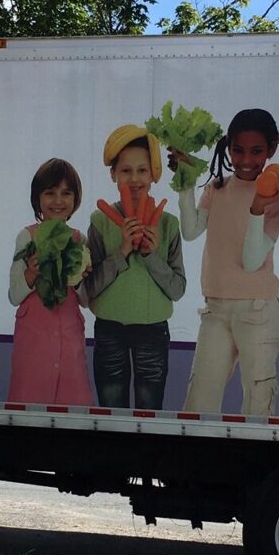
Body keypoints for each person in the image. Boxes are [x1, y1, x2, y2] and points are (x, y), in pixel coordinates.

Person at [174, 109, 279, 415]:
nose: (245, 159)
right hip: (215, 309)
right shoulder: (216, 187)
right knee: (199, 399)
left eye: (256, 152)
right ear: (228, 147)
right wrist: (186, 183)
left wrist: (256, 208)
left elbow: (253, 261)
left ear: (271, 149)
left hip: (258, 310)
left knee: (258, 400)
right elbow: (190, 232)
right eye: (238, 150)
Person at [84, 125, 185, 409]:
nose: (135, 178)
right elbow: (89, 288)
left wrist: (151, 255)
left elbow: (178, 290)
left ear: (153, 174)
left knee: (149, 410)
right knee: (111, 407)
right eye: (126, 170)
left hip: (153, 329)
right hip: (109, 328)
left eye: (142, 170)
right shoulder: (100, 220)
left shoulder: (168, 224)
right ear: (113, 174)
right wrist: (123, 251)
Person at [7, 158, 95, 405]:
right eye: (50, 193)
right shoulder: (27, 237)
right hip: (33, 344)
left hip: (70, 343)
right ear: (38, 199)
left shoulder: (80, 240)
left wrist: (79, 278)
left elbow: (87, 300)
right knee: (28, 404)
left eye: (66, 193)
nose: (58, 201)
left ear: (75, 199)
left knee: (74, 408)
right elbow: (14, 295)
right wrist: (32, 273)